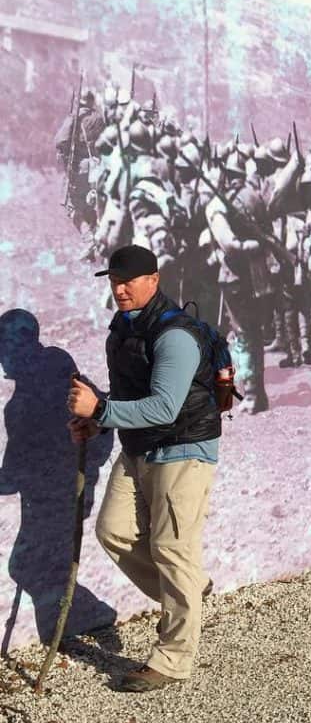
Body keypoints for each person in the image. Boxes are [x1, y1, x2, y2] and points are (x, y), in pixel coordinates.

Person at [67, 244, 219, 693]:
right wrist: (98, 421)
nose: (120, 288)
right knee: (113, 531)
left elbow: (166, 407)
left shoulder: (175, 335)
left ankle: (172, 659)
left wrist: (101, 409)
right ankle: (189, 589)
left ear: (154, 280)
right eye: (114, 281)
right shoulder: (123, 328)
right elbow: (128, 397)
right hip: (139, 448)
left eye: (128, 280)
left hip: (183, 446)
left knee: (172, 549)